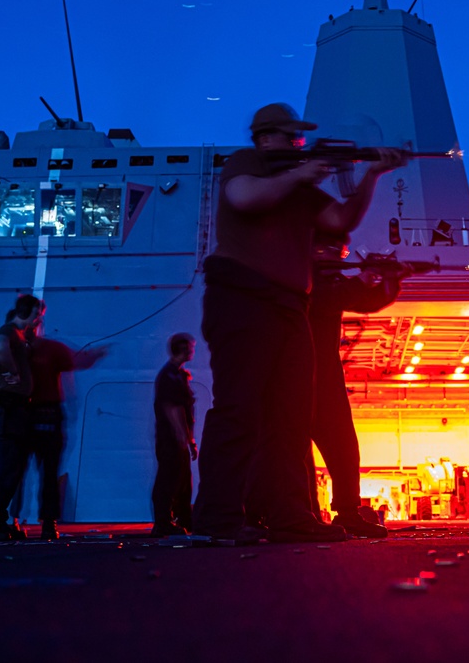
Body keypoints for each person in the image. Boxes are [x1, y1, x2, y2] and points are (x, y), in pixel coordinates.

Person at [192, 103, 404, 544]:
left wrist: (370, 177)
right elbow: (244, 197)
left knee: (291, 416)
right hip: (242, 297)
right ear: (265, 137)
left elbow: (340, 221)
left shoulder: (299, 187)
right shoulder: (247, 162)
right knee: (239, 411)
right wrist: (300, 174)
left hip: (288, 305)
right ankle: (217, 519)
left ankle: (290, 515)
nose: (298, 145)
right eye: (291, 138)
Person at [306, 232, 403, 538]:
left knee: (342, 446)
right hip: (304, 370)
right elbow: (330, 297)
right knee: (312, 449)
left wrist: (390, 280)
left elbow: (363, 300)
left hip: (319, 372)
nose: (341, 257)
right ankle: (307, 512)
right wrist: (368, 279)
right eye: (337, 251)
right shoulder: (305, 278)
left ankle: (341, 511)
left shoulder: (323, 277)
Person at [21, 318, 107, 540]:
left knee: (39, 472)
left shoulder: (27, 349)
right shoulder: (40, 349)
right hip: (38, 413)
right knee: (34, 472)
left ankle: (42, 521)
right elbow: (80, 361)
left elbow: (78, 361)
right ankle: (42, 522)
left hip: (34, 413)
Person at [0, 294, 45, 542]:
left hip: (14, 409)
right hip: (9, 407)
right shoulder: (9, 332)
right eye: (38, 313)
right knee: (3, 468)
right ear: (29, 310)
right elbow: (0, 346)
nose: (38, 318)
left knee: (10, 469)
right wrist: (12, 371)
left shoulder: (20, 337)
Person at [152, 333, 198, 536]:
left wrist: (189, 439)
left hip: (176, 437)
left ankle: (183, 519)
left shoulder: (178, 374)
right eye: (191, 347)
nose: (193, 351)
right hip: (171, 438)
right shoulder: (170, 376)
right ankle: (163, 522)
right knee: (169, 479)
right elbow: (172, 407)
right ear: (183, 349)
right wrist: (183, 437)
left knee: (182, 480)